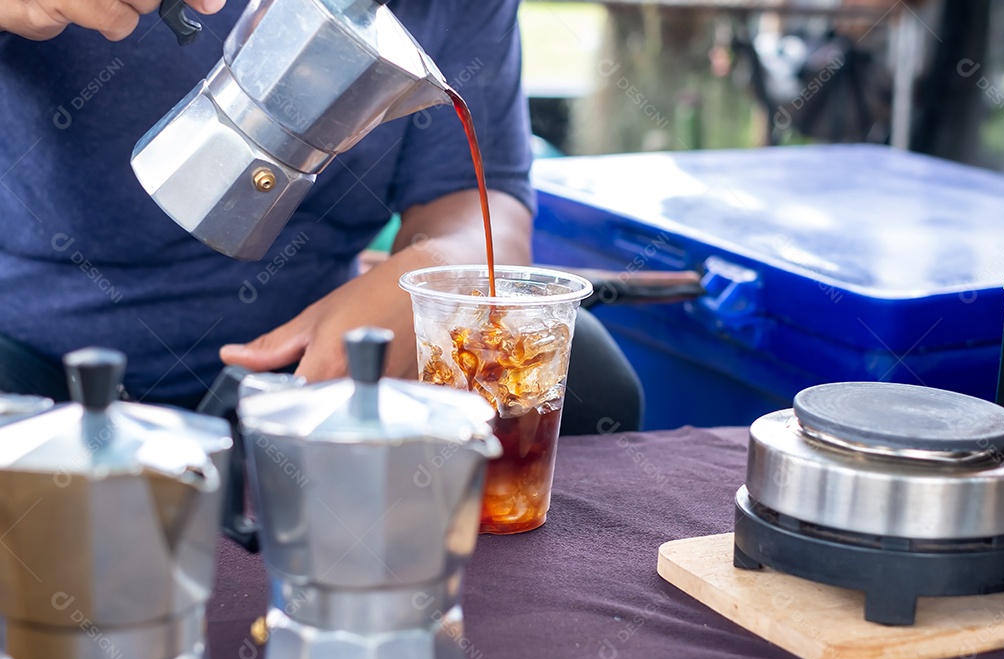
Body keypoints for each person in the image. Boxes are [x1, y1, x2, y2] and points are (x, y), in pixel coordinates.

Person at [0, 0, 642, 434]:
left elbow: (484, 200)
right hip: (35, 348)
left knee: (585, 379)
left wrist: (426, 280)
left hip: (310, 351)